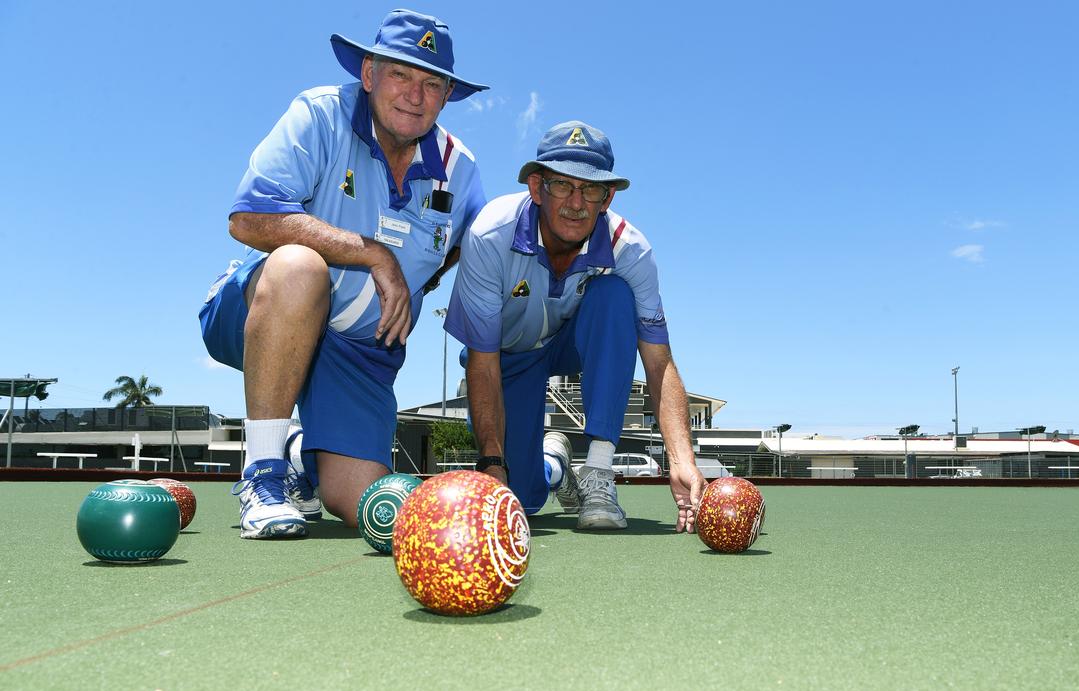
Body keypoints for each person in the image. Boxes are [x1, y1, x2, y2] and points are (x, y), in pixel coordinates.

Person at [199, 10, 487, 539]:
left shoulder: (460, 168)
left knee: (373, 510)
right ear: (370, 74)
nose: (415, 95)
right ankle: (263, 475)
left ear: (447, 96)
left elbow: (472, 247)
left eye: (431, 83)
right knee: (298, 265)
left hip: (362, 353)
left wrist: (420, 285)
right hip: (263, 311)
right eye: (400, 74)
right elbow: (248, 217)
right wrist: (374, 254)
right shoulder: (320, 112)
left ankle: (301, 456)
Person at [444, 121, 705, 532]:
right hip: (506, 356)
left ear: (608, 197)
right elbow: (483, 361)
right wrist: (492, 464)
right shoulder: (490, 234)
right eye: (562, 185)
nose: (577, 203)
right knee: (521, 500)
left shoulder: (630, 249)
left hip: (572, 343)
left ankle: (598, 472)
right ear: (536, 187)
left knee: (614, 296)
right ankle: (556, 468)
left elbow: (659, 362)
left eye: (592, 190)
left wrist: (683, 461)